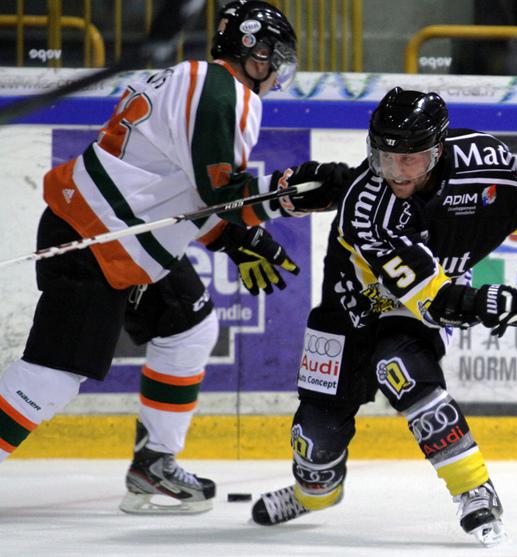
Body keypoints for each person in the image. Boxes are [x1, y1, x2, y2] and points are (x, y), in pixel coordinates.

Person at [0, 0, 339, 515]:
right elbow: (219, 191)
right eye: (276, 56)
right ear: (252, 48)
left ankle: (153, 463)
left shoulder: (189, 79)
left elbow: (179, 190)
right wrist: (287, 193)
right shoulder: (223, 90)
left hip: (119, 236)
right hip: (97, 238)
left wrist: (229, 237)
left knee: (189, 326)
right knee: (52, 374)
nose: (278, 70)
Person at [249, 88, 517, 546]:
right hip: (348, 311)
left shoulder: (484, 159)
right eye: (385, 158)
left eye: (411, 160)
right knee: (313, 441)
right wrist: (501, 302)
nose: (396, 172)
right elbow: (436, 300)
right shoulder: (369, 209)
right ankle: (315, 495)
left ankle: (474, 489)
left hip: (407, 313)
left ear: (439, 150)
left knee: (402, 370)